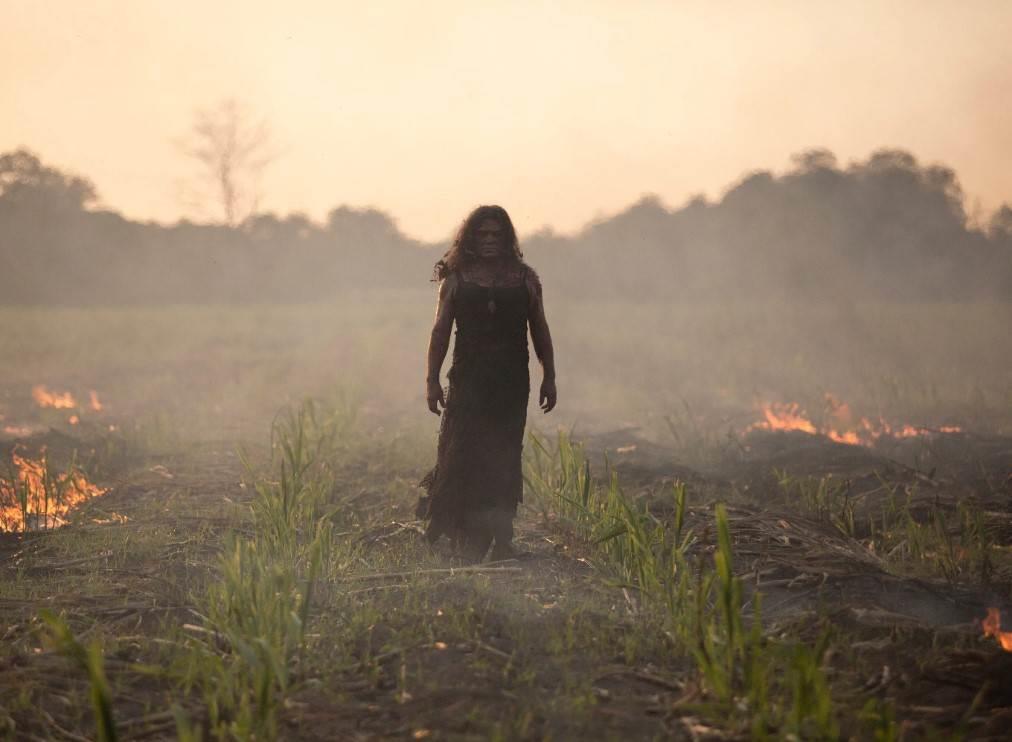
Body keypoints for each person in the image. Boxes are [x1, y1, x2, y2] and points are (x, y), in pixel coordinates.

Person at [417, 205, 557, 561]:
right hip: (467, 379)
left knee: (505, 454)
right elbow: (439, 332)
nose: (490, 240)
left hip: (511, 382)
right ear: (471, 239)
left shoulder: (525, 279)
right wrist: (432, 381)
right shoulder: (457, 280)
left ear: (507, 238)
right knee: (463, 451)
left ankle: (501, 535)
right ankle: (463, 532)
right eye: (483, 234)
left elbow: (539, 329)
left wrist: (549, 377)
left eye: (497, 234)